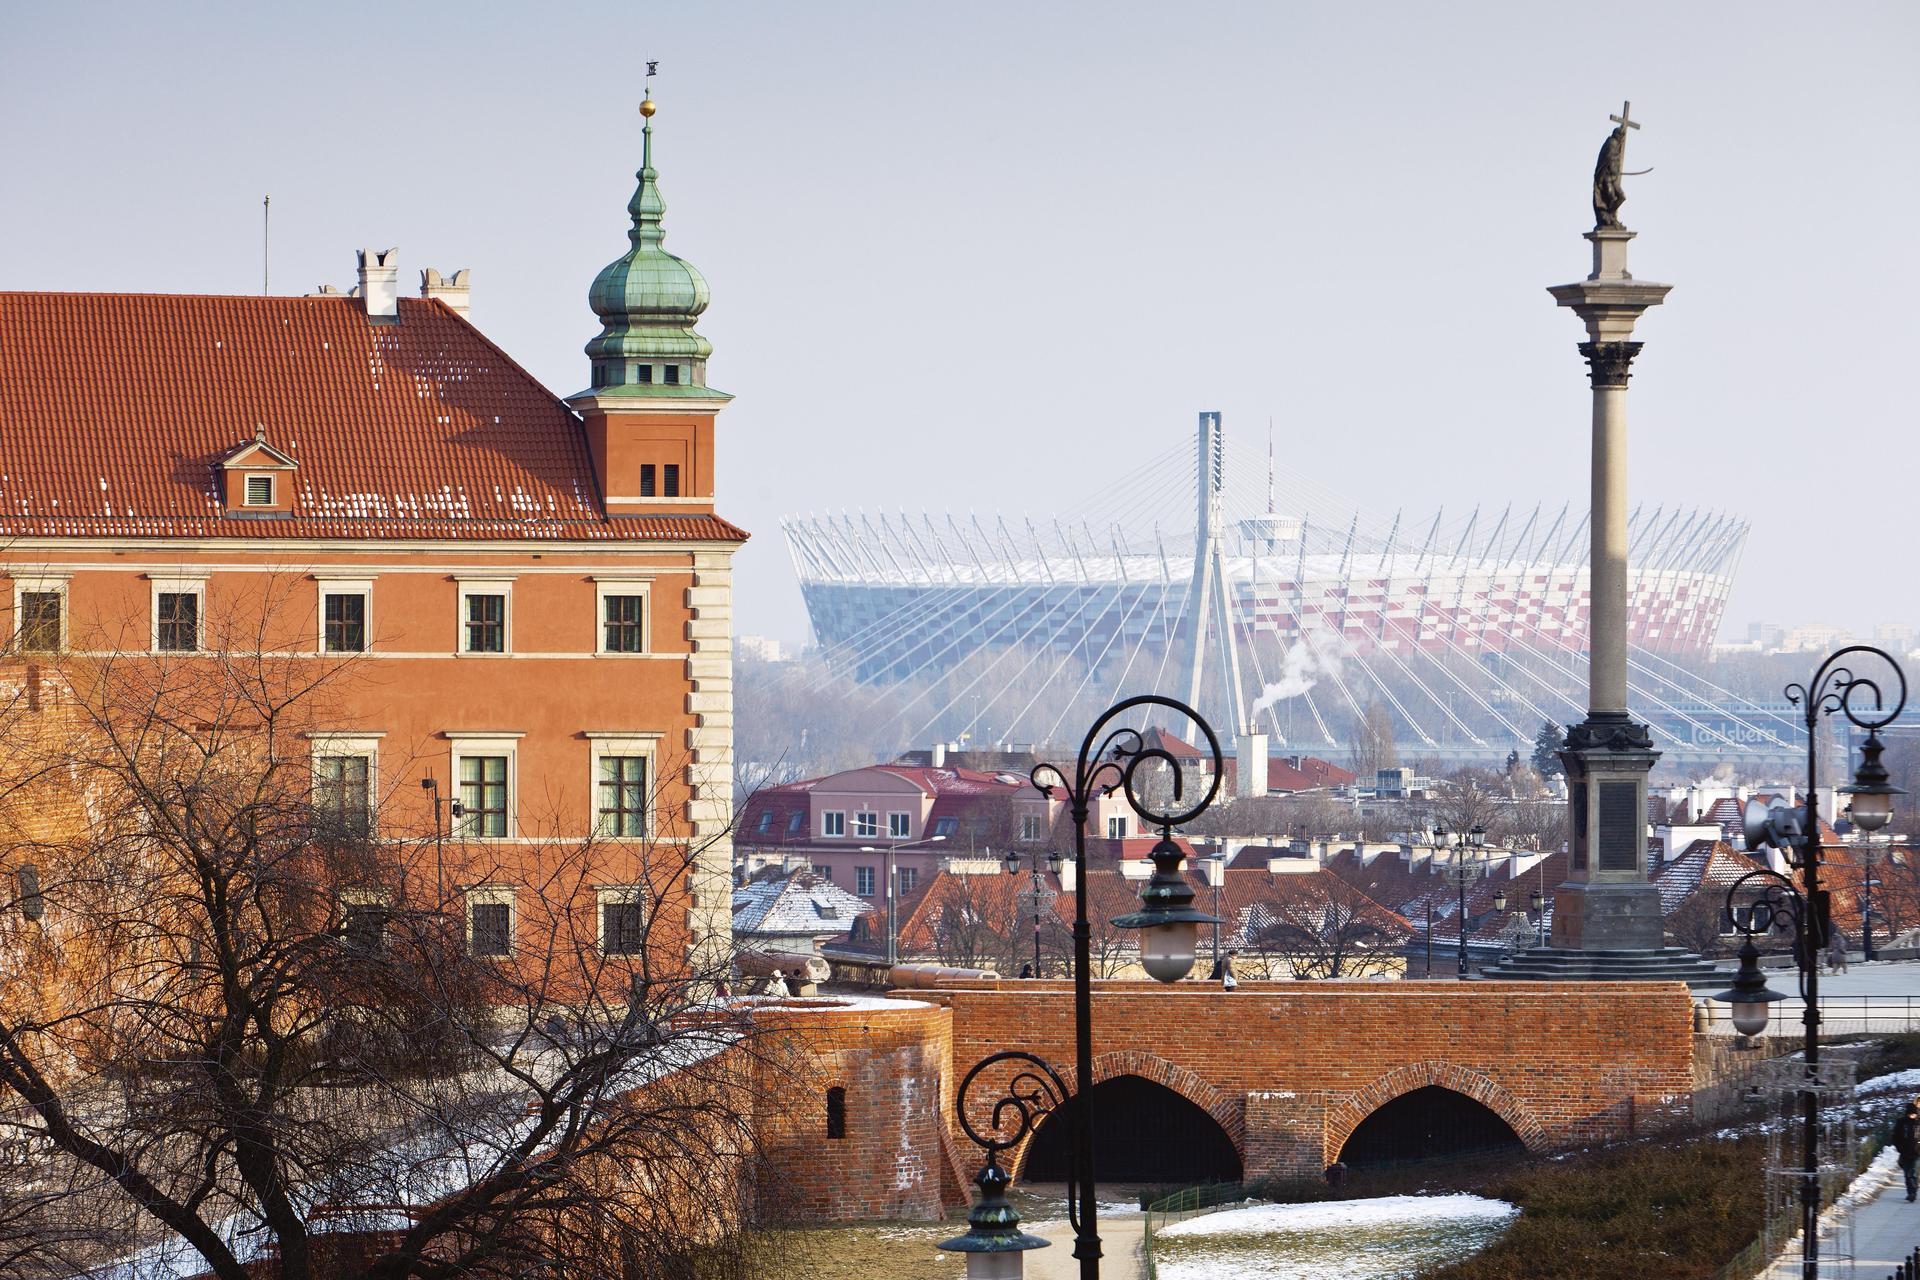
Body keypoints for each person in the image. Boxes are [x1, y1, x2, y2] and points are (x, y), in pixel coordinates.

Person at [1893, 1099, 1920, 1202]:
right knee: (1907, 1174)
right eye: (1910, 1114)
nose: (1912, 1116)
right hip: (1904, 1152)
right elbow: (1895, 1136)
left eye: (1914, 1114)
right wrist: (1899, 1148)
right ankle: (1910, 1192)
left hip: (1917, 1152)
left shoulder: (1918, 1122)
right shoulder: (1901, 1122)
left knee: (1913, 1172)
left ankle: (1913, 1193)